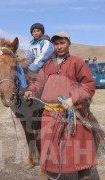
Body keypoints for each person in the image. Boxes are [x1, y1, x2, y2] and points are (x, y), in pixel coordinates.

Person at [24, 32, 98, 180]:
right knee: (52, 154)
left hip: (73, 115)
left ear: (68, 43)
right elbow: (39, 82)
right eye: (56, 44)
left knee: (79, 154)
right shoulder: (48, 65)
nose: (59, 47)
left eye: (62, 43)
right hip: (50, 116)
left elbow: (88, 86)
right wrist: (30, 90)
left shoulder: (77, 62)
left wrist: (73, 98)